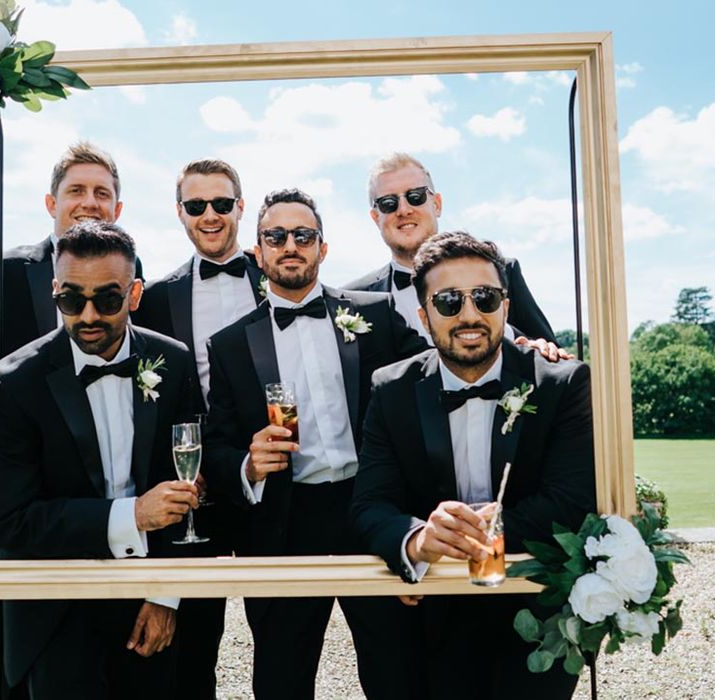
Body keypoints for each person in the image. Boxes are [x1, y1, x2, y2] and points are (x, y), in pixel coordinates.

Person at [351, 231, 596, 699]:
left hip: (538, 613)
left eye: (485, 298)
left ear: (506, 305)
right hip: (428, 613)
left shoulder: (563, 383)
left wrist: (474, 534)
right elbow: (371, 503)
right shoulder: (391, 388)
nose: (469, 315)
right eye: (448, 302)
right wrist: (417, 538)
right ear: (424, 317)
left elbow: (571, 500)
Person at [203, 188, 428, 699]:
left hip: (370, 508)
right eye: (275, 236)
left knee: (396, 669)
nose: (290, 245)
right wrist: (248, 465)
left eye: (303, 235)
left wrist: (524, 343)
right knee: (282, 678)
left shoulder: (378, 316)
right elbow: (216, 447)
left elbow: (439, 370)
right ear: (257, 251)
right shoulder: (230, 344)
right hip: (284, 520)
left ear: (322, 248)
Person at [0, 222, 200, 699]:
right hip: (54, 612)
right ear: (54, 292)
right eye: (71, 299)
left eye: (107, 300)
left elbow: (187, 487)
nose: (87, 315)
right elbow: (11, 520)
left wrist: (163, 592)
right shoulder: (11, 383)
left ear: (135, 294)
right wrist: (132, 515)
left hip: (146, 602)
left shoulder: (174, 362)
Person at [133, 158, 264, 699]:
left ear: (240, 206)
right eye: (195, 205)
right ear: (180, 212)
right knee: (192, 650)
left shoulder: (276, 273)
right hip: (191, 488)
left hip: (267, 482)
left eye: (221, 203)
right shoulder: (159, 298)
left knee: (283, 645)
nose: (209, 215)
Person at [345, 152, 562, 356]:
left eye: (416, 196)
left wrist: (540, 348)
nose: (403, 210)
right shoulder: (353, 301)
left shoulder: (502, 271)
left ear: (437, 204)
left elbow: (549, 359)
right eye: (388, 203)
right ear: (376, 218)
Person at [0, 142, 143, 361]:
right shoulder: (1, 270)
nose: (90, 202)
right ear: (52, 204)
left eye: (101, 193)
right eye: (76, 191)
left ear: (117, 210)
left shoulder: (133, 266)